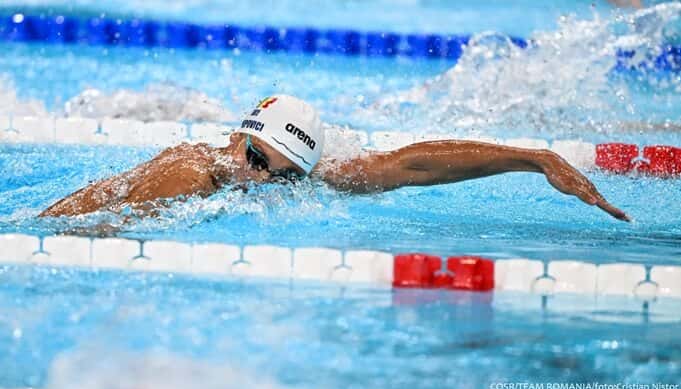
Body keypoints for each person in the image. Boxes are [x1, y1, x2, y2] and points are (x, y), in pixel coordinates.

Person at [40, 95, 629, 221]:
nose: (259, 180)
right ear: (238, 139)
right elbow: (83, 232)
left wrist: (534, 159)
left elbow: (410, 165)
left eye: (282, 177)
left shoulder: (306, 172)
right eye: (256, 160)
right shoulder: (188, 176)